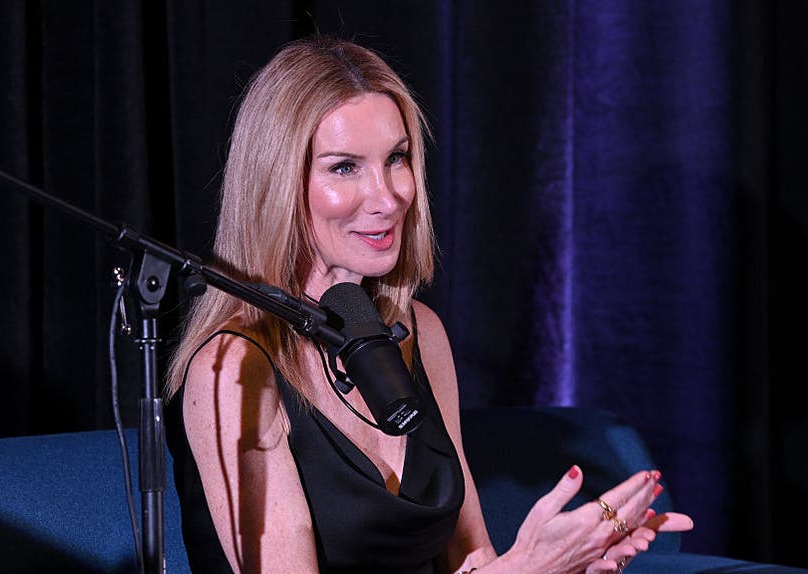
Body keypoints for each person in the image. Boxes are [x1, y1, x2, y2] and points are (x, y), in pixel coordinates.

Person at [164, 34, 693, 574]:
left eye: (397, 158)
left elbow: (473, 560)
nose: (389, 196)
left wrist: (568, 564)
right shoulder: (231, 370)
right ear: (276, 185)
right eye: (345, 167)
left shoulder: (418, 330)